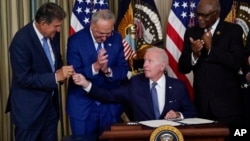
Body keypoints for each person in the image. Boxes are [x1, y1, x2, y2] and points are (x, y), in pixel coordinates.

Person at [5, 2, 74, 141]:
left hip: (50, 109)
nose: (59, 30)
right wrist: (55, 77)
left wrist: (62, 73)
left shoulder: (53, 34)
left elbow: (55, 60)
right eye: (56, 26)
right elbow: (23, 78)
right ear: (43, 23)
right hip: (29, 112)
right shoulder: (21, 41)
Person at [178, 0, 245, 140]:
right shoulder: (192, 32)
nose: (200, 18)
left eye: (205, 15)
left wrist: (211, 50)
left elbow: (236, 62)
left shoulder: (233, 31)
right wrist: (194, 55)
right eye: (198, 14)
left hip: (228, 107)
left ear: (216, 14)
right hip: (203, 106)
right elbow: (182, 67)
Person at [72, 47, 197, 122]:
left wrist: (178, 115)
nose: (144, 65)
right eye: (144, 61)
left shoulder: (178, 86)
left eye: (150, 61)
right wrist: (86, 84)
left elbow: (192, 112)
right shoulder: (136, 83)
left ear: (162, 66)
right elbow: (109, 95)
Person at [66, 9, 129, 138]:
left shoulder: (116, 38)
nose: (105, 37)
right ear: (92, 25)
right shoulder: (75, 41)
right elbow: (75, 75)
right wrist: (96, 66)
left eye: (108, 33)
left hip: (110, 107)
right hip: (83, 106)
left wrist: (107, 70)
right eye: (101, 33)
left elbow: (123, 70)